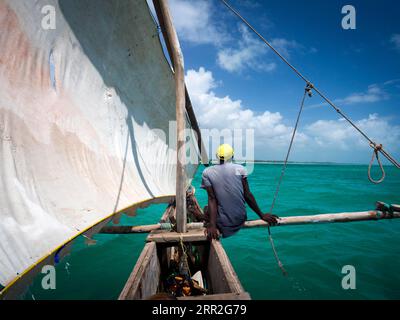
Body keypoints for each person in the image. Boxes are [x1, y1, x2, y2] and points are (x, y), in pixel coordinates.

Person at [201, 144, 278, 240]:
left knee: (206, 209)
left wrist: (212, 225)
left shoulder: (207, 172)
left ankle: (202, 217)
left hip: (224, 223)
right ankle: (204, 217)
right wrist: (261, 215)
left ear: (217, 156)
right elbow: (247, 195)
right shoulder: (240, 169)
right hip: (241, 218)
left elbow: (212, 198)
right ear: (232, 156)